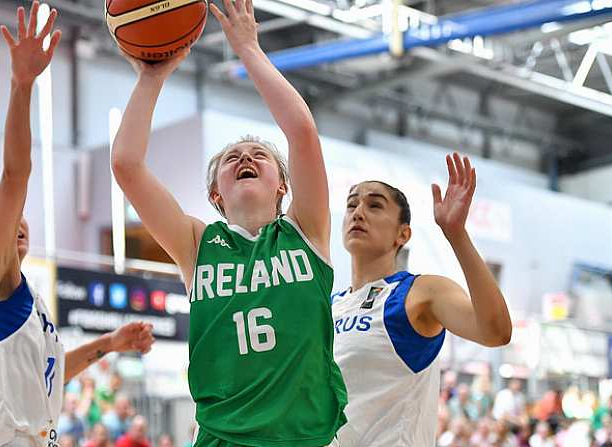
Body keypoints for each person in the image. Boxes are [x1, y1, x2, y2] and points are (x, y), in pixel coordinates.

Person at [111, 0, 347, 444]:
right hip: (223, 437)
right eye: (231, 159)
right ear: (216, 196)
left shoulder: (306, 232)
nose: (245, 157)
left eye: (260, 155)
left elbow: (302, 132)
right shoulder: (198, 244)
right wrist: (152, 76)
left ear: (283, 186)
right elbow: (126, 164)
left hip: (304, 438)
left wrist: (248, 49)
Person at [0, 4, 153, 446]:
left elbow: (49, 376)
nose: (12, 216)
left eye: (14, 210)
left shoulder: (23, 298)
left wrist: (109, 344)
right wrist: (22, 85)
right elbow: (16, 174)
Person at [332, 153, 512, 446]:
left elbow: (496, 331)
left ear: (402, 234)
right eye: (352, 204)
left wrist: (457, 235)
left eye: (374, 205)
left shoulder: (420, 292)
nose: (358, 212)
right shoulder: (327, 305)